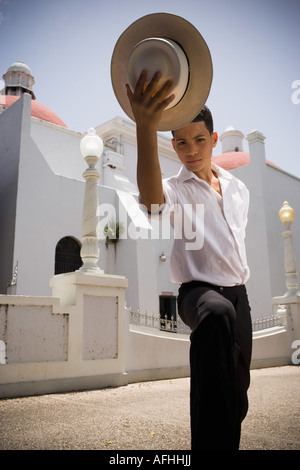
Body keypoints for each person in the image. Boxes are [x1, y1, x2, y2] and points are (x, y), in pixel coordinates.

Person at [126, 70, 252, 450]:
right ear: (173, 144)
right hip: (197, 293)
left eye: (199, 140)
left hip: (239, 297)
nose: (191, 150)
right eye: (181, 143)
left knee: (236, 393)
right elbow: (150, 202)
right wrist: (145, 128)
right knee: (215, 315)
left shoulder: (237, 188)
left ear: (214, 140)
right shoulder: (176, 188)